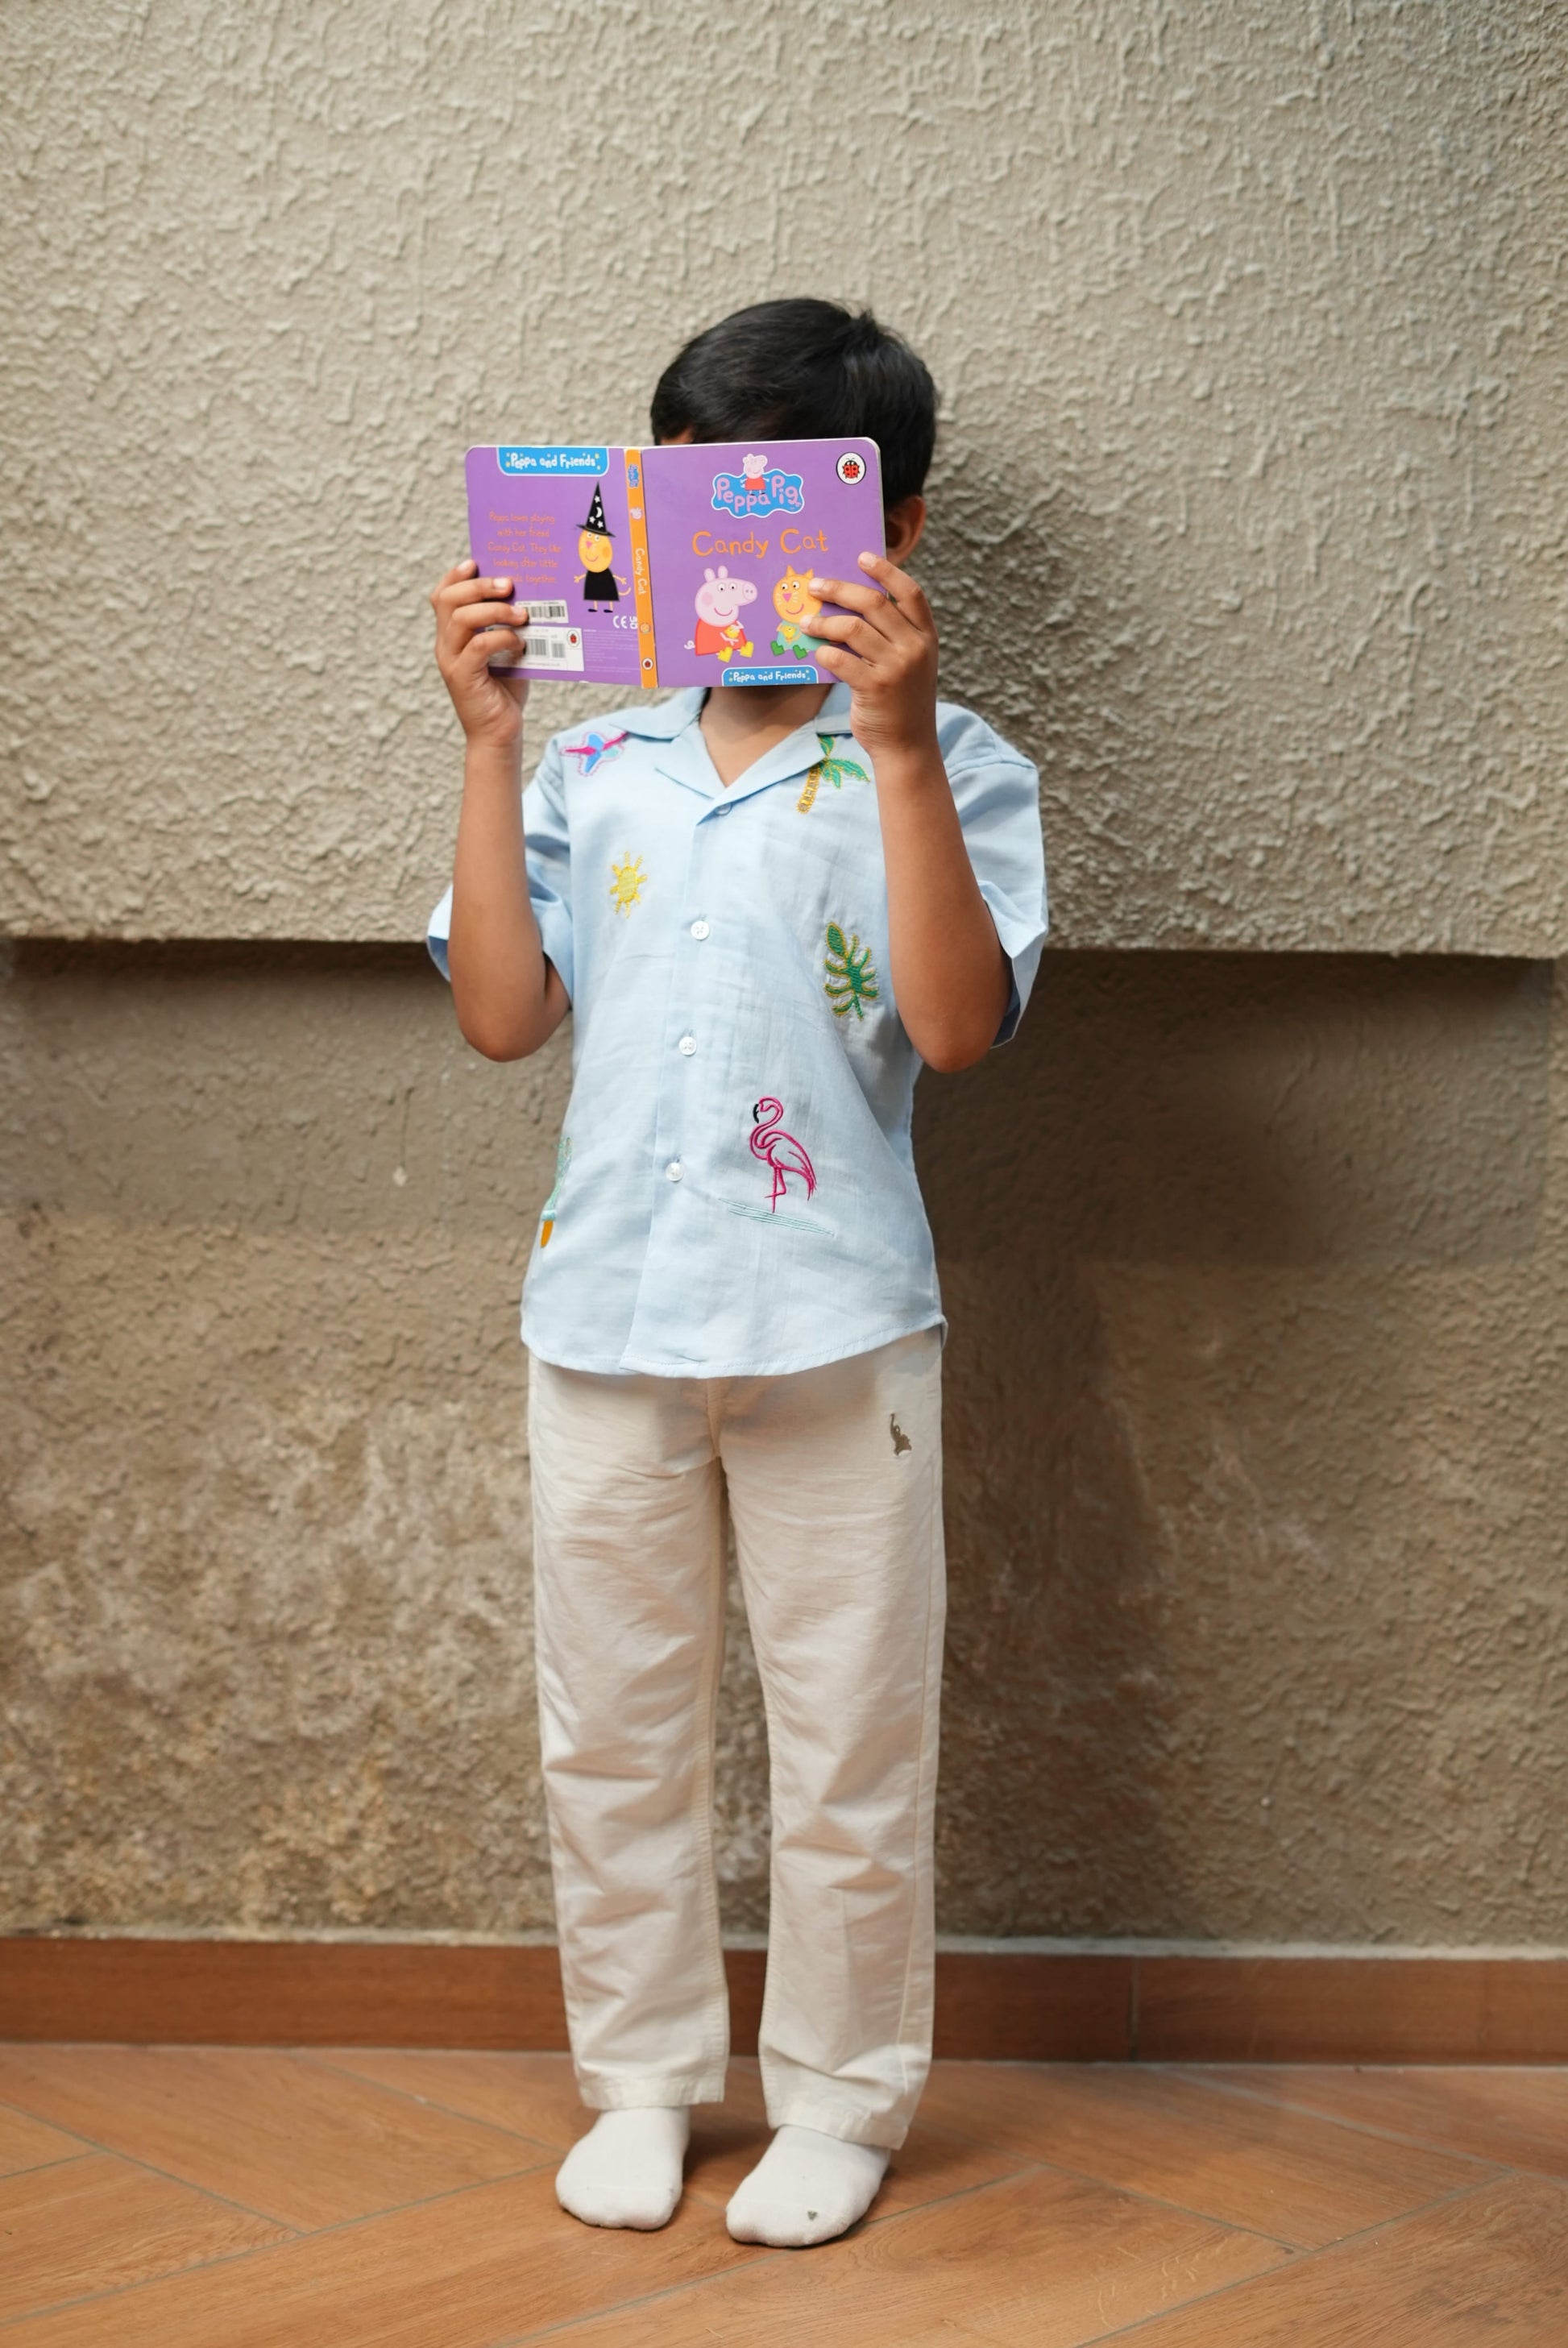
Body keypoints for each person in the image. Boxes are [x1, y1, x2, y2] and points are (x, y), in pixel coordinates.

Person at [425, 297, 1047, 2249]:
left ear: (899, 525)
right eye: (697, 493)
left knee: (853, 1732)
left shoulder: (958, 765)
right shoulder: (595, 758)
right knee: (607, 1718)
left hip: (835, 1318)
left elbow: (954, 1031)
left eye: (789, 494)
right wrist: (491, 738)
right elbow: (503, 1022)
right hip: (601, 1313)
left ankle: (843, 2096)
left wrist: (895, 744)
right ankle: (639, 2075)